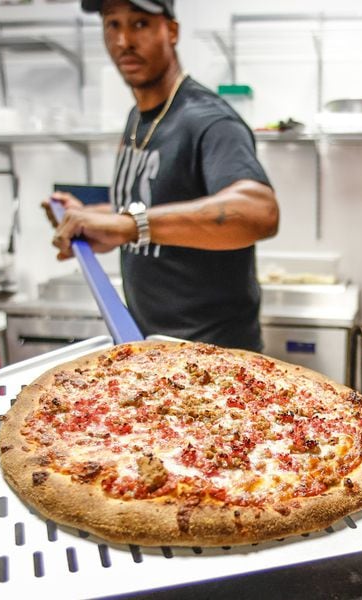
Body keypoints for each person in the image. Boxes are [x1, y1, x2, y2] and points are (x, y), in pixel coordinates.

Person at [46, 0, 279, 351]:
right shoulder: (137, 118)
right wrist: (93, 220)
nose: (124, 40)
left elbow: (259, 212)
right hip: (148, 345)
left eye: (139, 24)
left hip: (212, 358)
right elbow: (149, 206)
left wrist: (127, 225)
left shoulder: (208, 119)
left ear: (171, 31)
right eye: (112, 24)